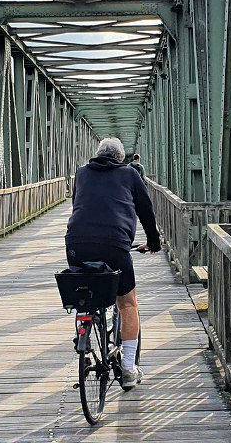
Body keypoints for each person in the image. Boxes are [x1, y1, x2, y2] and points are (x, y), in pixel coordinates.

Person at [66, 138, 161, 388]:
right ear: (121, 159)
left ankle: (84, 339)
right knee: (128, 304)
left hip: (77, 243)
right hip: (115, 245)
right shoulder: (129, 174)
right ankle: (129, 368)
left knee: (83, 294)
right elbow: (146, 210)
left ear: (97, 155)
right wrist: (154, 241)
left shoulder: (82, 173)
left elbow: (78, 205)